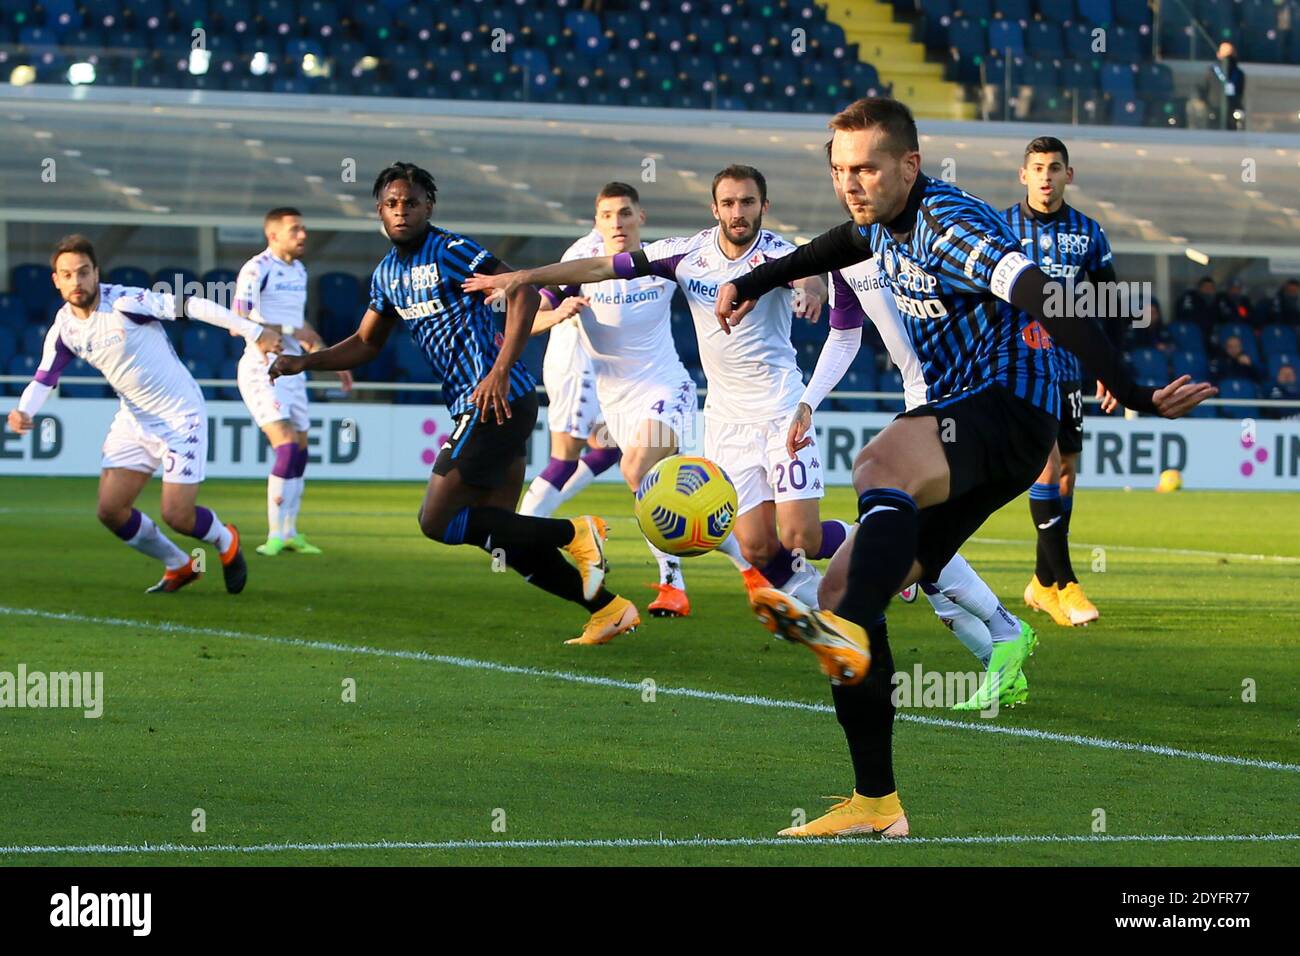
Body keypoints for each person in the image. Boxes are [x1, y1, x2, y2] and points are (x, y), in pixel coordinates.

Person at [715, 97, 1214, 838]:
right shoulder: (881, 220)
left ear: (909, 166)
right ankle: (877, 804)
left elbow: (1049, 295)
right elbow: (837, 246)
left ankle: (844, 631)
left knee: (880, 460)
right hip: (979, 413)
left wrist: (1135, 390)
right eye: (841, 170)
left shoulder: (949, 223)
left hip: (1012, 399)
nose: (852, 183)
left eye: (868, 168)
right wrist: (756, 281)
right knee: (848, 587)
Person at [270, 162, 637, 645]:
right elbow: (366, 342)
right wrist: (305, 363)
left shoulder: (450, 250)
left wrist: (500, 370)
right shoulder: (386, 274)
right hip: (489, 405)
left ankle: (575, 532)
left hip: (496, 399)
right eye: (392, 203)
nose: (401, 211)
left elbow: (522, 292)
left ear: (428, 206)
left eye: (411, 202)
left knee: (436, 521)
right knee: (503, 537)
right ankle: (609, 609)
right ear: (379, 210)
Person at [465, 165, 849, 611]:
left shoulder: (779, 254)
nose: (738, 212)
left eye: (747, 202)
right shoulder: (686, 255)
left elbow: (808, 275)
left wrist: (811, 293)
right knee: (759, 548)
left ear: (764, 206)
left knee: (801, 536)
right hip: (724, 420)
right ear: (715, 209)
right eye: (729, 203)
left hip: (779, 408)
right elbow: (599, 267)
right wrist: (527, 276)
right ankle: (826, 608)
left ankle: (882, 546)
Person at [5, 235, 275, 593]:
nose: (76, 281)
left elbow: (190, 306)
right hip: (134, 419)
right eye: (67, 275)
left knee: (178, 515)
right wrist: (24, 410)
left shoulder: (126, 302)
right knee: (111, 510)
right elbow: (44, 377)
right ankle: (179, 564)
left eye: (83, 272)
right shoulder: (64, 327)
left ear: (96, 272)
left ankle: (225, 540)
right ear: (56, 280)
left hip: (180, 415)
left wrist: (253, 330)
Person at [521, 183, 725, 616]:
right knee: (674, 498)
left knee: (638, 470)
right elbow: (527, 320)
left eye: (626, 213)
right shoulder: (581, 269)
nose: (617, 222)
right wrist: (556, 315)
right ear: (597, 222)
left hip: (669, 390)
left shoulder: (661, 262)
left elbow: (722, 274)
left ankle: (673, 584)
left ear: (641, 219)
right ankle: (758, 568)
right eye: (608, 215)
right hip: (615, 404)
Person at [1004, 136, 1119, 628]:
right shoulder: (1000, 226)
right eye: (1037, 168)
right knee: (1045, 468)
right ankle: (1067, 584)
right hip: (1021, 368)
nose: (1046, 176)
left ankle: (1039, 583)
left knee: (1067, 469)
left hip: (1069, 370)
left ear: (1068, 175)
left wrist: (1110, 367)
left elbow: (1109, 304)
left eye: (1054, 167)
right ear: (1023, 175)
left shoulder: (1089, 233)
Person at [233, 207, 352, 557]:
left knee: (300, 450)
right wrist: (287, 331)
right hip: (262, 370)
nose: (303, 235)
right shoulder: (257, 269)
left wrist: (331, 358)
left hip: (292, 370)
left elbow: (298, 325)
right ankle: (274, 535)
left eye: (303, 228)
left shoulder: (299, 270)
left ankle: (291, 532)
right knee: (285, 445)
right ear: (273, 235)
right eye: (295, 229)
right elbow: (237, 317)